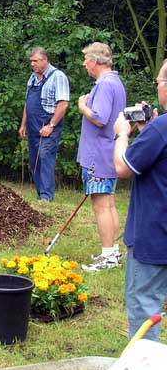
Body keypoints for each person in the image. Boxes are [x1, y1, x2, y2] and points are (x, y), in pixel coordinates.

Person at [113, 59, 167, 341]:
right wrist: (149, 131)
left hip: (154, 235)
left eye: (158, 81)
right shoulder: (158, 130)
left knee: (144, 306)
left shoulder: (162, 129)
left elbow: (123, 168)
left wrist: (122, 135)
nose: (156, 86)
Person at [77, 42, 127, 272]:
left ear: (95, 61)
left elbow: (100, 118)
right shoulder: (114, 81)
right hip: (108, 151)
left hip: (98, 154)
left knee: (101, 205)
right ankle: (113, 252)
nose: (84, 64)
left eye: (86, 59)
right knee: (109, 202)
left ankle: (108, 256)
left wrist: (83, 106)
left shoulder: (105, 85)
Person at [18, 47, 70, 201]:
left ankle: (47, 196)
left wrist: (51, 125)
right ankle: (41, 193)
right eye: (31, 61)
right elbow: (28, 103)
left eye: (35, 61)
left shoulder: (58, 76)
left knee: (45, 156)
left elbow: (63, 105)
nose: (32, 64)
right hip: (33, 125)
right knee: (34, 160)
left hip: (48, 125)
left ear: (45, 60)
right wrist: (23, 125)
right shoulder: (33, 78)